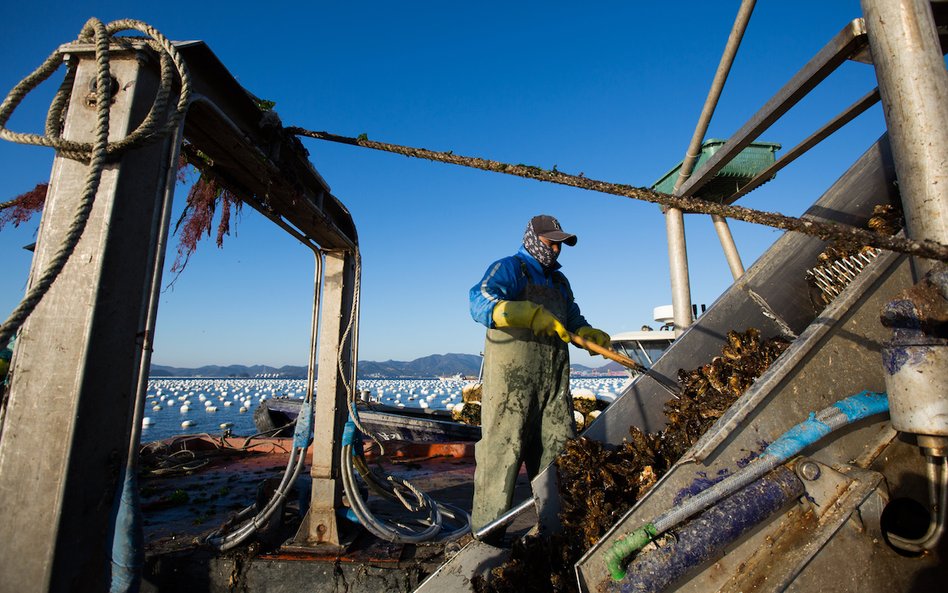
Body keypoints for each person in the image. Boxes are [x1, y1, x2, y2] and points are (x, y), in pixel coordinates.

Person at [468, 214, 611, 535]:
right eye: (551, 243)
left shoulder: (560, 283)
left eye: (560, 244)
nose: (557, 250)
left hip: (552, 387)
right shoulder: (510, 268)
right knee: (501, 453)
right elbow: (479, 300)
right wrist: (517, 311)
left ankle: (559, 529)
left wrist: (588, 333)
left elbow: (572, 318)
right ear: (532, 239)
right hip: (510, 389)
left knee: (559, 452)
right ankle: (486, 536)